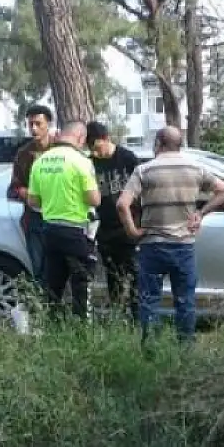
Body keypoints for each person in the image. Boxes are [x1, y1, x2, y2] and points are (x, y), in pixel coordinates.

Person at [116, 126, 224, 342]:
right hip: (183, 247)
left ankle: (150, 350)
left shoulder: (144, 170)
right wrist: (201, 212)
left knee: (149, 301)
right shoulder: (196, 168)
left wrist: (133, 231)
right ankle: (185, 349)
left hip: (152, 246)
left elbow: (122, 204)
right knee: (185, 301)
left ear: (159, 143)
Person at [26, 121, 102, 320]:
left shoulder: (41, 161)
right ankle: (81, 334)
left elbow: (33, 201)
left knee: (54, 287)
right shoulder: (81, 161)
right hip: (76, 231)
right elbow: (94, 199)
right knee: (81, 287)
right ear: (80, 138)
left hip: (50, 231)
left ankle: (53, 329)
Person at [85, 121, 141, 314]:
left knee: (135, 275)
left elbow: (141, 191)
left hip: (128, 227)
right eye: (91, 148)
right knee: (113, 277)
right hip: (105, 229)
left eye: (97, 146)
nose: (95, 152)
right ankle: (117, 316)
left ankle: (137, 316)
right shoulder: (90, 162)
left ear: (106, 138)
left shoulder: (127, 158)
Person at [7, 105, 55, 279]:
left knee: (62, 270)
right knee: (39, 270)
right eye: (30, 124)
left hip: (62, 216)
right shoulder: (24, 154)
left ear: (48, 124)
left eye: (38, 123)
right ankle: (43, 305)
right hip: (34, 219)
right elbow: (13, 187)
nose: (34, 128)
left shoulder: (61, 149)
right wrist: (25, 193)